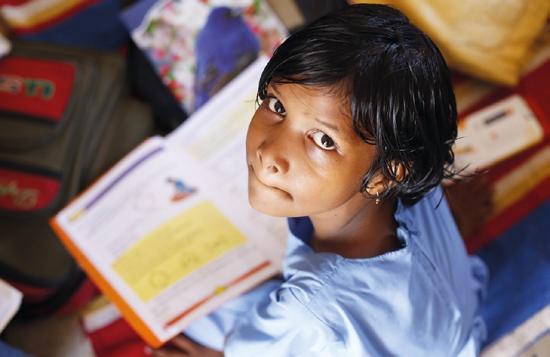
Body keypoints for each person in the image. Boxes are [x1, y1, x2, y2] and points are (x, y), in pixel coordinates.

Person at [152, 4, 488, 356]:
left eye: (324, 140)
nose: (270, 153)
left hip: (369, 328)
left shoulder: (306, 307)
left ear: (384, 176)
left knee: (206, 318)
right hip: (447, 324)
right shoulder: (405, 160)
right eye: (277, 106)